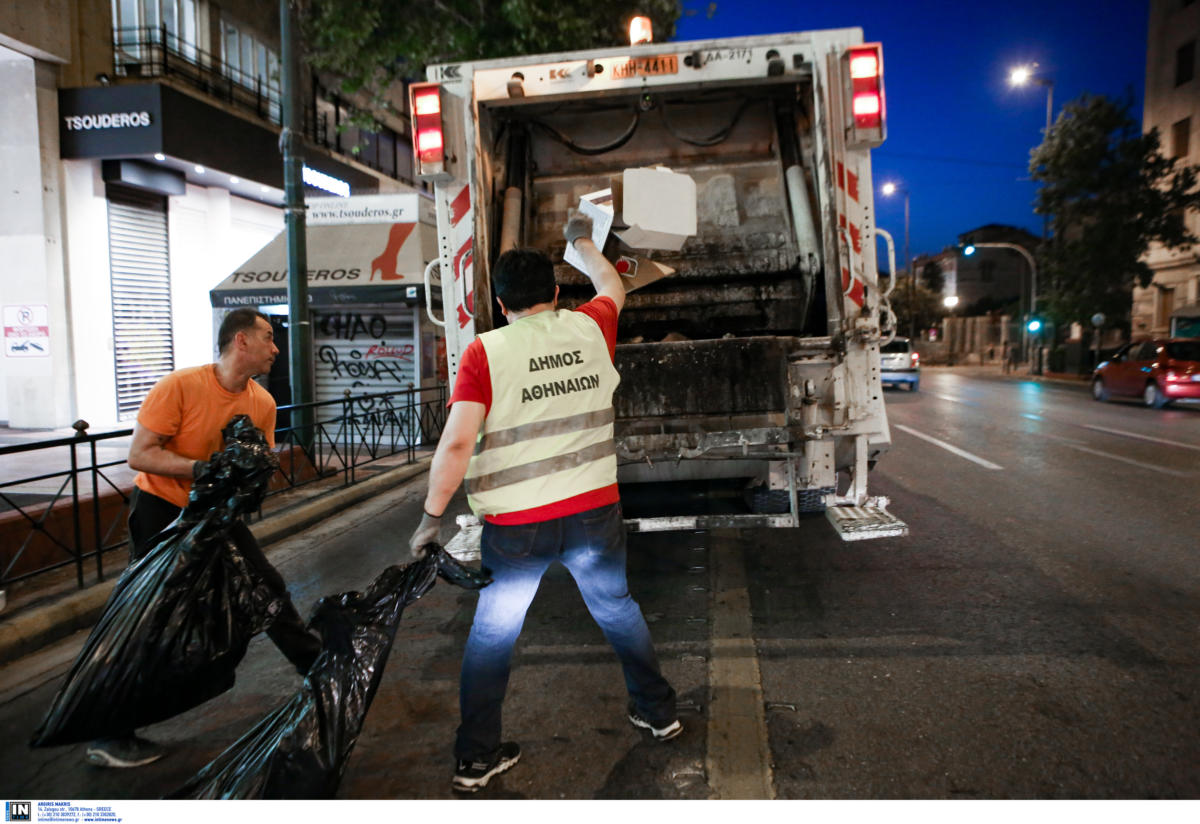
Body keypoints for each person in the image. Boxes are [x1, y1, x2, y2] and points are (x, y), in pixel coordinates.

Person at [409, 212, 680, 793]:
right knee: (618, 609)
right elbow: (611, 284)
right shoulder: (590, 327)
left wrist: (431, 520)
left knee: (492, 637)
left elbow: (457, 442)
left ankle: (477, 757)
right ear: (556, 295)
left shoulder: (486, 353)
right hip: (592, 516)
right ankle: (658, 713)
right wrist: (581, 239)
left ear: (501, 305)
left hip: (518, 531)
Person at [85, 308, 321, 769]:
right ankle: (107, 733)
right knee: (154, 618)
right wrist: (201, 469)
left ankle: (317, 668)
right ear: (241, 342)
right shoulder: (181, 387)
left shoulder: (262, 403)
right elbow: (141, 455)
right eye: (269, 337)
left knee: (265, 588)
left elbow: (259, 464)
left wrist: (251, 477)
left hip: (217, 511)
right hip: (162, 512)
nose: (276, 348)